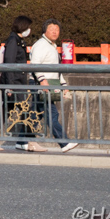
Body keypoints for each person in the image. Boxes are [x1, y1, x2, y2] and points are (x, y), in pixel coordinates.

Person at [0, 16, 40, 152]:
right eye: (28, 27)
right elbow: (9, 64)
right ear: (23, 26)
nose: (29, 30)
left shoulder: (18, 40)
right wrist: (9, 86)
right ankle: (29, 141)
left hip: (17, 83)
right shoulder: (14, 41)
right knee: (25, 109)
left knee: (7, 111)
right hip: (14, 84)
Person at [30, 19, 78, 153]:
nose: (55, 31)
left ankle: (23, 140)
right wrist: (41, 80)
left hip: (48, 83)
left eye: (57, 29)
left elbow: (56, 69)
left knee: (36, 114)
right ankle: (64, 142)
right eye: (51, 28)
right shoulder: (41, 45)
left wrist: (63, 84)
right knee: (51, 113)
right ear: (45, 30)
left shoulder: (51, 46)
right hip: (42, 84)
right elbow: (35, 63)